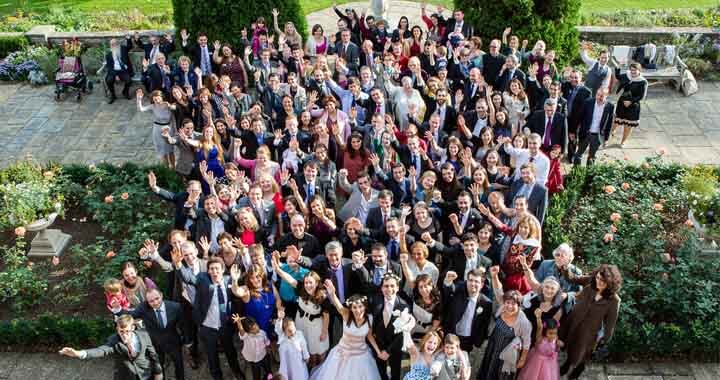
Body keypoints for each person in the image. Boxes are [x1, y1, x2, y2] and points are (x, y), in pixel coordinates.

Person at [175, 257, 244, 380]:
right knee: (212, 357)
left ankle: (237, 372)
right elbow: (188, 278)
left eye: (217, 268)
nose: (214, 271)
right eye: (211, 269)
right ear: (208, 271)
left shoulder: (229, 281)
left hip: (225, 325)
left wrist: (235, 280)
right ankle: (217, 377)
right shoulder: (202, 279)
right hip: (208, 327)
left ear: (223, 270)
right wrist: (179, 264)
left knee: (231, 352)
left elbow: (238, 293)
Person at [559, 264, 622, 379]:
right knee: (570, 344)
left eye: (603, 280)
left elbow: (610, 323)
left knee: (582, 352)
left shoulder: (614, 300)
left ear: (611, 281)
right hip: (574, 321)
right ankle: (568, 363)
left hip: (588, 331)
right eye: (597, 278)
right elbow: (572, 278)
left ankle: (578, 368)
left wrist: (605, 340)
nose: (599, 282)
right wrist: (565, 267)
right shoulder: (590, 282)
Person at [310, 281, 382, 380]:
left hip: (361, 355)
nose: (358, 310)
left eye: (360, 307)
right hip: (342, 353)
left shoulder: (369, 318)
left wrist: (378, 351)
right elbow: (338, 305)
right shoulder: (346, 315)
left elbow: (369, 336)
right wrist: (332, 293)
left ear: (365, 307)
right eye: (354, 307)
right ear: (351, 309)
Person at [113, 289, 187, 380]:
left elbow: (184, 325)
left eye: (157, 298)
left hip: (173, 342)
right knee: (158, 366)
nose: (155, 302)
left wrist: (187, 340)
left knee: (179, 364)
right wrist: (118, 309)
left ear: (161, 295)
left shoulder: (175, 307)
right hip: (155, 343)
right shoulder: (143, 308)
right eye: (151, 301)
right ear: (147, 301)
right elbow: (131, 315)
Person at [59, 315, 163, 380]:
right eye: (121, 331)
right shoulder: (114, 340)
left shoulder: (143, 335)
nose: (124, 335)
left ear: (133, 327)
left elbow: (153, 354)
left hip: (145, 373)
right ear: (117, 329)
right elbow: (102, 350)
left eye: (127, 331)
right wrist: (79, 353)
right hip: (125, 376)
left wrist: (158, 372)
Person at [480, 266, 532, 380]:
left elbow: (527, 343)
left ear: (519, 305)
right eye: (507, 302)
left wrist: (522, 359)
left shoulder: (523, 322)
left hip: (506, 352)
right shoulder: (503, 307)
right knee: (487, 367)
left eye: (513, 304)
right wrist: (494, 276)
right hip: (493, 346)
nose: (509, 306)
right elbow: (499, 291)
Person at [137, 88, 176, 168]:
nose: (156, 100)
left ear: (161, 97)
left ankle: (174, 167)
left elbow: (174, 113)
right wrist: (139, 99)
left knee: (170, 150)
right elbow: (141, 109)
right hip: (157, 129)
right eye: (154, 99)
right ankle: (167, 169)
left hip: (168, 129)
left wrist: (175, 130)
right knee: (163, 151)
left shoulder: (167, 105)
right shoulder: (153, 106)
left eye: (158, 98)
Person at [574, 88, 615, 166]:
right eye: (598, 95)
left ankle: (589, 174)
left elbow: (609, 123)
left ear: (606, 96)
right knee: (578, 154)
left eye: (602, 96)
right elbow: (579, 117)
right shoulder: (588, 102)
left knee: (592, 157)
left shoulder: (610, 106)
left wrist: (606, 139)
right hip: (585, 133)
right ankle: (576, 173)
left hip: (597, 136)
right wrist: (574, 131)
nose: (599, 97)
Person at [612, 62, 648, 148]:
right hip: (622, 102)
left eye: (635, 70)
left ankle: (623, 141)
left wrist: (630, 101)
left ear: (639, 71)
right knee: (618, 119)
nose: (632, 72)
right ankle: (613, 130)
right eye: (631, 70)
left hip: (633, 106)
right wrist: (618, 67)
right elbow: (618, 76)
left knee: (628, 125)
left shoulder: (642, 82)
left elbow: (641, 96)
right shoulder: (627, 75)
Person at [517, 311, 562, 380]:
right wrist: (538, 317)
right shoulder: (540, 338)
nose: (552, 336)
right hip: (536, 362)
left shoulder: (555, 338)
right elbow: (539, 327)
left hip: (549, 365)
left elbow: (556, 349)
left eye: (555, 333)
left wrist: (558, 346)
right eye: (550, 333)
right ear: (545, 331)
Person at [275, 308, 310, 380]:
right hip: (286, 362)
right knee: (287, 374)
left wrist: (306, 356)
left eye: (293, 329)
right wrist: (280, 319)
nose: (293, 332)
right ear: (284, 331)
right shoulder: (282, 337)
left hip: (297, 362)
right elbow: (278, 329)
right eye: (289, 331)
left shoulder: (299, 334)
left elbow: (304, 346)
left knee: (298, 375)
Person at [233, 314, 271, 380]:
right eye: (253, 329)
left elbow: (266, 342)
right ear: (248, 331)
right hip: (253, 360)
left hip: (263, 355)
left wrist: (268, 350)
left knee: (268, 371)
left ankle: (269, 377)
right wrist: (239, 323)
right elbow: (241, 331)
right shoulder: (246, 336)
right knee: (256, 374)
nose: (256, 329)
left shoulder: (262, 333)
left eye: (256, 325)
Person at [105, 37, 133, 104]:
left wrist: (128, 39)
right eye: (112, 44)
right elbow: (109, 67)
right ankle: (113, 95)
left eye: (115, 43)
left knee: (129, 81)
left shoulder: (123, 49)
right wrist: (116, 75)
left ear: (118, 43)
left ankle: (125, 92)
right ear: (110, 45)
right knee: (109, 80)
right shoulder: (108, 54)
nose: (114, 45)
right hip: (113, 71)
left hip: (123, 70)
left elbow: (130, 46)